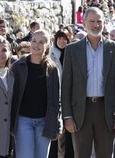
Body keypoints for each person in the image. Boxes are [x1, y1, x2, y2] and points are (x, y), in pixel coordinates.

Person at [61, 7, 115, 158]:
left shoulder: (113, 48)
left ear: (104, 23)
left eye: (99, 21)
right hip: (80, 113)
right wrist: (67, 116)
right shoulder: (72, 50)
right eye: (91, 21)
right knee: (81, 155)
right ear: (83, 23)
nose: (95, 25)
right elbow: (66, 86)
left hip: (106, 111)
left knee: (105, 154)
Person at [10, 29, 61, 158]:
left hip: (45, 121)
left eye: (41, 42)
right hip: (23, 120)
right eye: (34, 41)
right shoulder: (18, 66)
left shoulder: (52, 69)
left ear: (48, 46)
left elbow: (56, 99)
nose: (36, 45)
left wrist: (58, 124)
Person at [49, 30, 74, 158]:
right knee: (55, 132)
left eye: (65, 39)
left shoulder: (73, 54)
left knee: (69, 134)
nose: (62, 41)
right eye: (59, 38)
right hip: (55, 96)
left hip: (69, 97)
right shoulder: (50, 55)